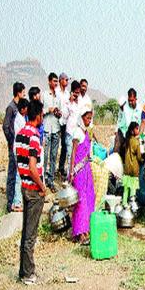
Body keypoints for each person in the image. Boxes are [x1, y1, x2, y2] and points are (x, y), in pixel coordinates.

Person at [15, 99, 46, 285]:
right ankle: (28, 274)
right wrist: (42, 187)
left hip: (24, 186)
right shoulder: (34, 136)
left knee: (25, 231)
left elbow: (21, 163)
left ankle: (22, 270)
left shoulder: (20, 134)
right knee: (31, 234)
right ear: (39, 115)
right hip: (34, 189)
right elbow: (33, 168)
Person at [69, 108, 96, 245]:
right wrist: (71, 172)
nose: (89, 120)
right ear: (82, 118)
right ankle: (79, 232)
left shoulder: (86, 132)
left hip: (87, 171)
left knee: (89, 198)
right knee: (81, 201)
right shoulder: (77, 132)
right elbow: (73, 153)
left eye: (90, 118)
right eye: (87, 118)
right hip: (79, 171)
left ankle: (86, 229)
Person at [3, 82, 26, 212]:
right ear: (18, 93)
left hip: (17, 145)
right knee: (12, 174)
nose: (24, 94)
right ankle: (10, 203)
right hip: (14, 145)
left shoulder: (18, 107)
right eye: (23, 92)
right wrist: (12, 141)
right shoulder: (11, 108)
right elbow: (6, 126)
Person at [42, 72, 61, 192]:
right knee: (44, 156)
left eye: (57, 81)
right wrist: (49, 109)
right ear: (49, 82)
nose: (56, 83)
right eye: (54, 81)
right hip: (46, 129)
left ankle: (51, 180)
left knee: (54, 156)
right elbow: (40, 111)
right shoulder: (44, 95)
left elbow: (59, 113)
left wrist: (58, 113)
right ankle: (43, 180)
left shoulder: (58, 96)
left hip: (56, 128)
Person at [12, 98, 29, 212]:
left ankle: (18, 201)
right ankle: (17, 203)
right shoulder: (20, 120)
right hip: (19, 150)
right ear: (23, 109)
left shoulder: (21, 118)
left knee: (20, 176)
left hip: (20, 149)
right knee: (19, 176)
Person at [115, 88, 143, 157]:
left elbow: (143, 122)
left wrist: (139, 134)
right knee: (117, 149)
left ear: (136, 99)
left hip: (135, 135)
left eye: (132, 100)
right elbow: (120, 119)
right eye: (129, 100)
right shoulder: (124, 107)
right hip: (124, 133)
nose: (130, 102)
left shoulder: (140, 109)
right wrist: (116, 130)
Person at [62, 81, 81, 175]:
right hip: (70, 132)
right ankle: (69, 177)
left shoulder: (80, 102)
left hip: (77, 134)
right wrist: (70, 102)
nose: (77, 94)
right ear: (72, 91)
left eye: (79, 92)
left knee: (77, 156)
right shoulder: (68, 101)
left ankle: (74, 176)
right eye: (76, 92)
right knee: (70, 156)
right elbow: (64, 116)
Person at [122, 122, 142, 206]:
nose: (138, 130)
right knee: (133, 188)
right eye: (137, 128)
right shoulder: (136, 142)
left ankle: (124, 203)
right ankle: (131, 204)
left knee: (126, 188)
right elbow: (139, 157)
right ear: (132, 131)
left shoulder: (127, 140)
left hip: (126, 168)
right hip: (134, 168)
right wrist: (142, 159)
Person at [57, 72, 70, 178]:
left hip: (65, 122)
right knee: (55, 145)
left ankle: (61, 167)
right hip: (57, 122)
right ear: (61, 80)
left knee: (65, 146)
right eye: (65, 79)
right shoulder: (56, 92)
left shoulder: (67, 93)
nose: (67, 82)